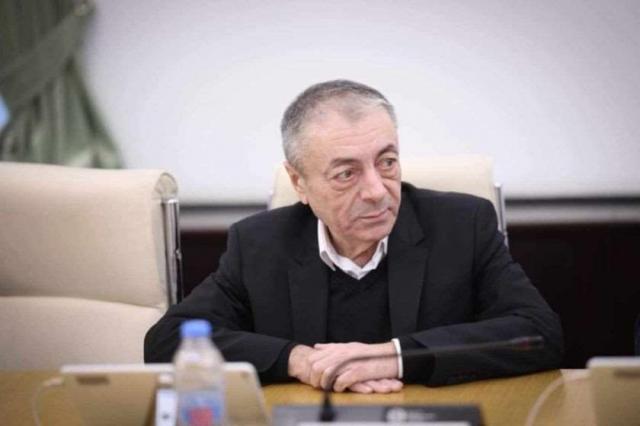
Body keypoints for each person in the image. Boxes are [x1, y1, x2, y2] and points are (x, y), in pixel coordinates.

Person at [145, 80, 563, 394]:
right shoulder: (259, 244)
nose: (377, 191)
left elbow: (538, 335)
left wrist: (393, 357)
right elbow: (166, 340)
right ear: (299, 182)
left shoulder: (462, 225)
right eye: (347, 173)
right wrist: (298, 360)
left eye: (387, 162)